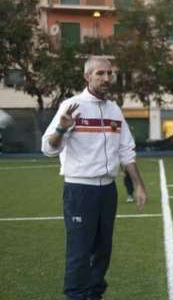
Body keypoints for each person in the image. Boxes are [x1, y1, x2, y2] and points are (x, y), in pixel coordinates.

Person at [41, 57, 147, 300]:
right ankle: (76, 296)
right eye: (100, 73)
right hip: (80, 191)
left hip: (108, 191)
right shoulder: (72, 105)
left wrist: (139, 186)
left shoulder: (114, 110)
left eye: (109, 73)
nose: (107, 78)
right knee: (80, 251)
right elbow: (48, 148)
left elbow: (126, 151)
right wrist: (61, 129)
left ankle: (94, 295)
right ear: (87, 77)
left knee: (102, 251)